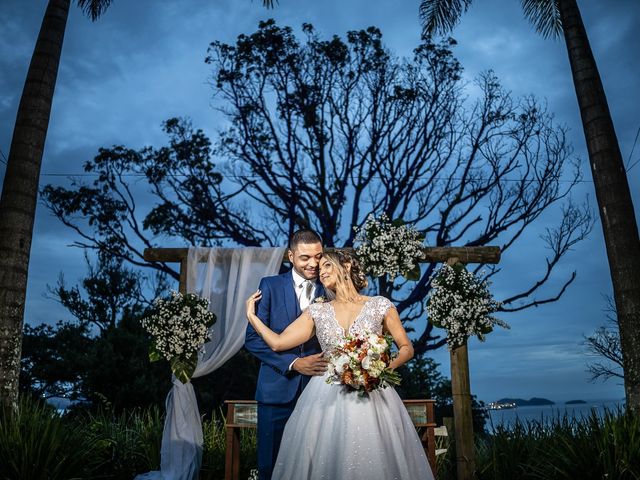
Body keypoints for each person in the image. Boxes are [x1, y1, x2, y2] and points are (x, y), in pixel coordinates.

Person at [245, 250, 435, 480]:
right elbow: (277, 343)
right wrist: (252, 317)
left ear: (345, 266)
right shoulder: (317, 311)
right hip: (325, 393)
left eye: (326, 266)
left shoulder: (380, 305)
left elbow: (406, 348)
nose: (320, 272)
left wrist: (381, 371)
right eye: (320, 268)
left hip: (372, 393)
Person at [244, 229, 329, 480]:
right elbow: (252, 340)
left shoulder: (332, 285)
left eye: (318, 256)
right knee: (270, 465)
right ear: (291, 256)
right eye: (305, 258)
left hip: (321, 392)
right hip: (276, 392)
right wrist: (294, 363)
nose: (313, 263)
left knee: (318, 465)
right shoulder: (269, 285)